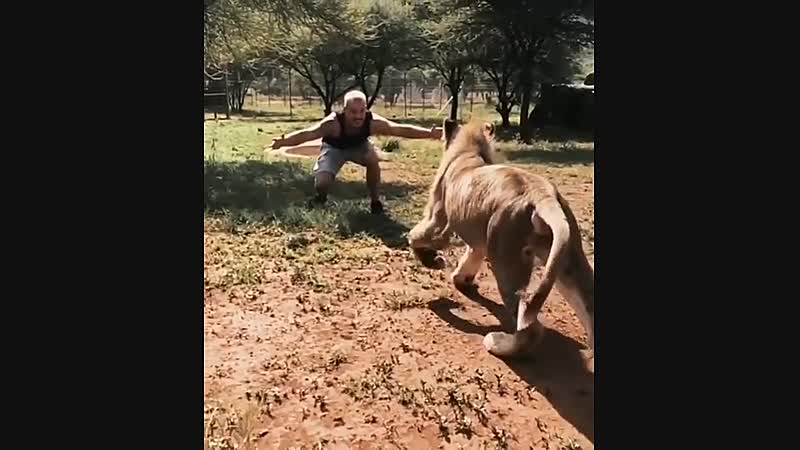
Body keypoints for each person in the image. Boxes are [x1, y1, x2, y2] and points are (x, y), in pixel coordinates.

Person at [270, 90, 443, 214]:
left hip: (359, 148)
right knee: (322, 183)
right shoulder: (332, 123)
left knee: (372, 158)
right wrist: (284, 141)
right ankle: (320, 198)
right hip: (334, 149)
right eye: (353, 112)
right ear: (344, 110)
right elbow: (308, 133)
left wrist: (429, 134)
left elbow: (400, 129)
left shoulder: (372, 122)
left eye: (362, 111)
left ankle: (375, 202)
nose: (358, 116)